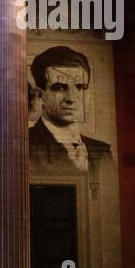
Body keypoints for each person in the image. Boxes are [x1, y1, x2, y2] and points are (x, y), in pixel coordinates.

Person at [28, 46, 113, 174]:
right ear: (40, 95)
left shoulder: (102, 151)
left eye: (80, 87)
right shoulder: (25, 145)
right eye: (59, 88)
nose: (72, 98)